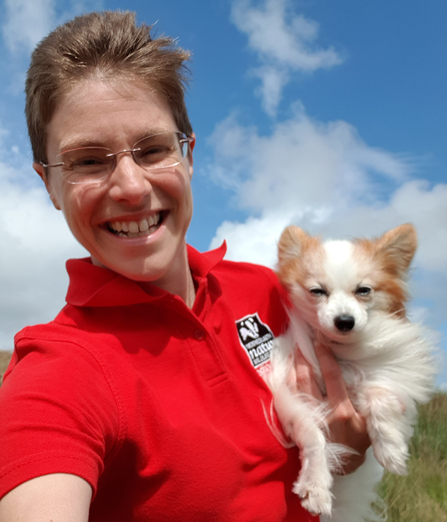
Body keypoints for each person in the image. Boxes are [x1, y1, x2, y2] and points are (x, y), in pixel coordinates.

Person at [0, 11, 369, 522]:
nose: (130, 187)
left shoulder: (270, 292)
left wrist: (342, 454)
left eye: (152, 149)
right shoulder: (59, 373)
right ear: (48, 184)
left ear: (189, 155)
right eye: (87, 160)